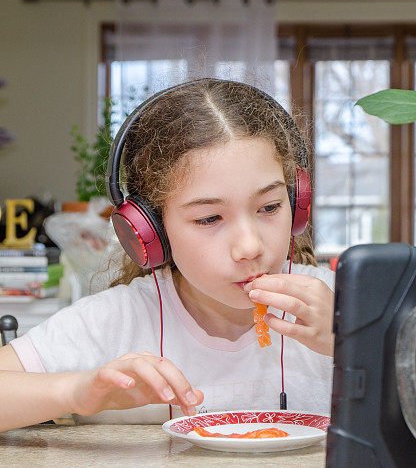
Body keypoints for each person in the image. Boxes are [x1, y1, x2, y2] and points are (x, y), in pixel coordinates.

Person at [0, 79, 335, 432]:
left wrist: (355, 346)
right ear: (150, 230)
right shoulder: (118, 319)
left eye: (269, 207)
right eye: (209, 218)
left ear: (297, 205)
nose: (250, 247)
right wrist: (76, 391)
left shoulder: (342, 304)